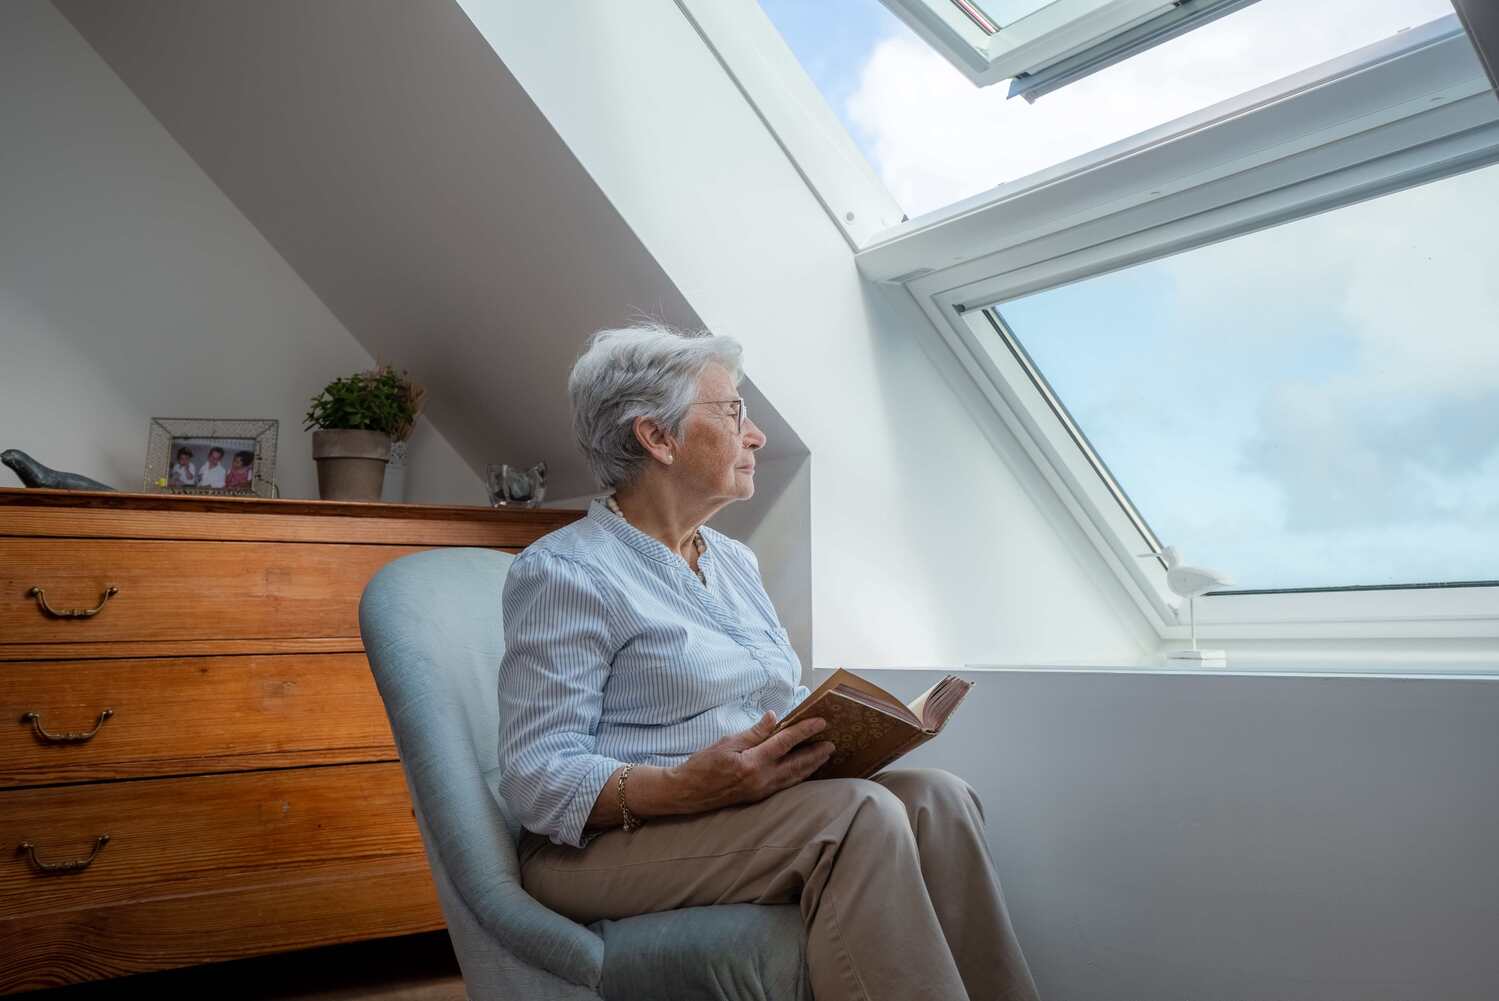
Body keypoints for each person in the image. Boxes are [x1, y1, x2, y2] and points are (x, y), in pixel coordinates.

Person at [497, 322, 1040, 1001]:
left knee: (938, 797)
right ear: (657, 437)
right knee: (855, 815)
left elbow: (761, 703)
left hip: (732, 811)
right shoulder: (565, 573)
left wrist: (848, 736)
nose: (754, 436)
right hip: (597, 849)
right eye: (732, 413)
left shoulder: (731, 559)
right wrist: (687, 786)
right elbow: (537, 776)